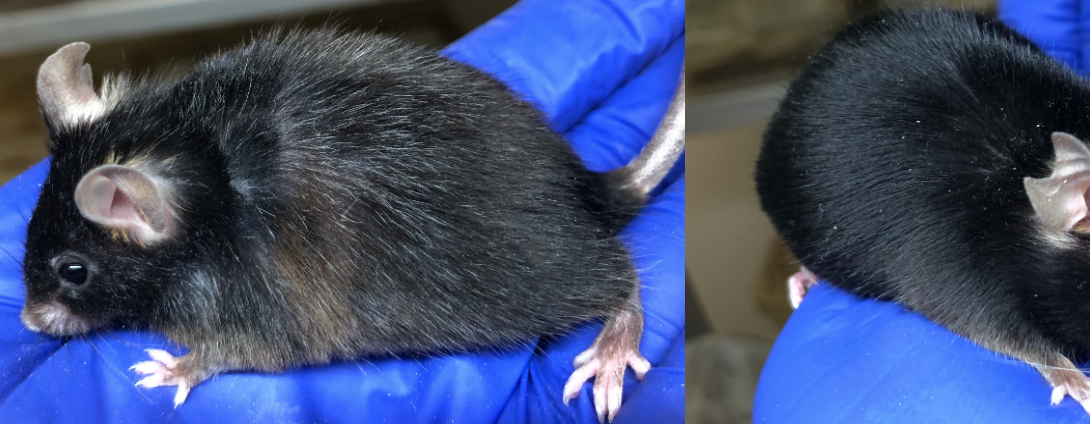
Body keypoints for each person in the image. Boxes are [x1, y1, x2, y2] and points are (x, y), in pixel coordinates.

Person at [0, 0, 685, 422]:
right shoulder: (184, 132)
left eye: (72, 272)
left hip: (490, 230)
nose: (40, 314)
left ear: (133, 212)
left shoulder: (204, 258)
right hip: (478, 160)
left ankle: (616, 299)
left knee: (526, 288)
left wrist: (199, 363)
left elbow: (273, 335)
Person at [754, 0, 1090, 422]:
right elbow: (959, 294)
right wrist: (1056, 364)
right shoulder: (1010, 238)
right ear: (1076, 205)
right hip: (828, 158)